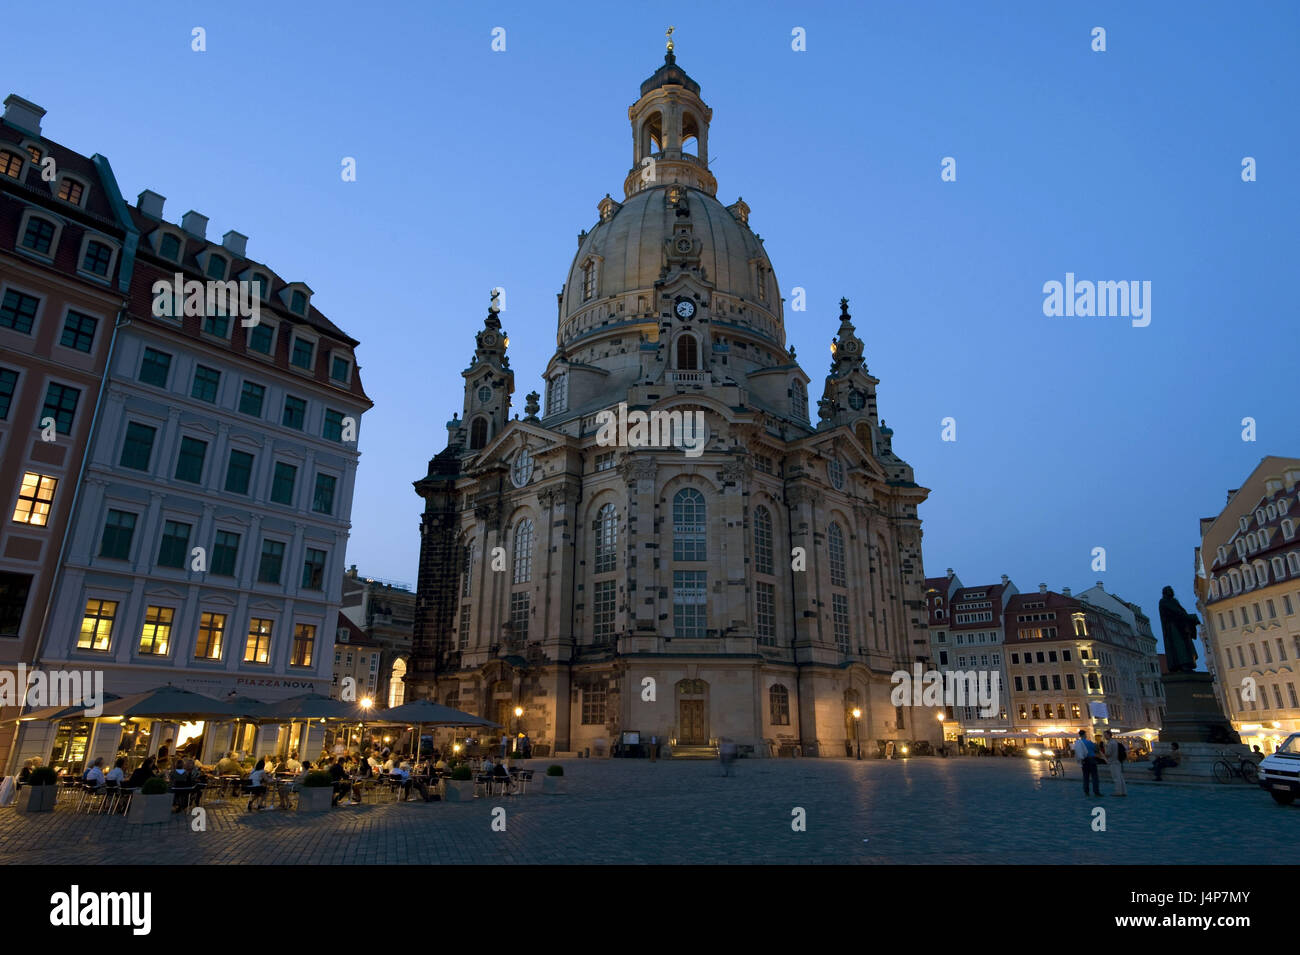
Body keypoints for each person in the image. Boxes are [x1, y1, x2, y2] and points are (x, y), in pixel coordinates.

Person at [1072, 730, 1102, 797]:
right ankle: (1096, 791)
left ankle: (1086, 791)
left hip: (1084, 761)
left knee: (1086, 777)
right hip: (1091, 759)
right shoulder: (1089, 742)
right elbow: (1096, 749)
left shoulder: (1078, 743)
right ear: (1084, 735)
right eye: (1086, 734)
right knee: (1094, 777)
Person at [1103, 730, 1127, 797]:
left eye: (1105, 735)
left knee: (1116, 778)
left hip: (1113, 762)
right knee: (1120, 777)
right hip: (1118, 761)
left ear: (1109, 735)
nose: (1104, 736)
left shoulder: (1110, 743)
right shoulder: (1115, 742)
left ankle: (1118, 792)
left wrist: (1105, 749)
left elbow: (1108, 753)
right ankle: (1123, 791)